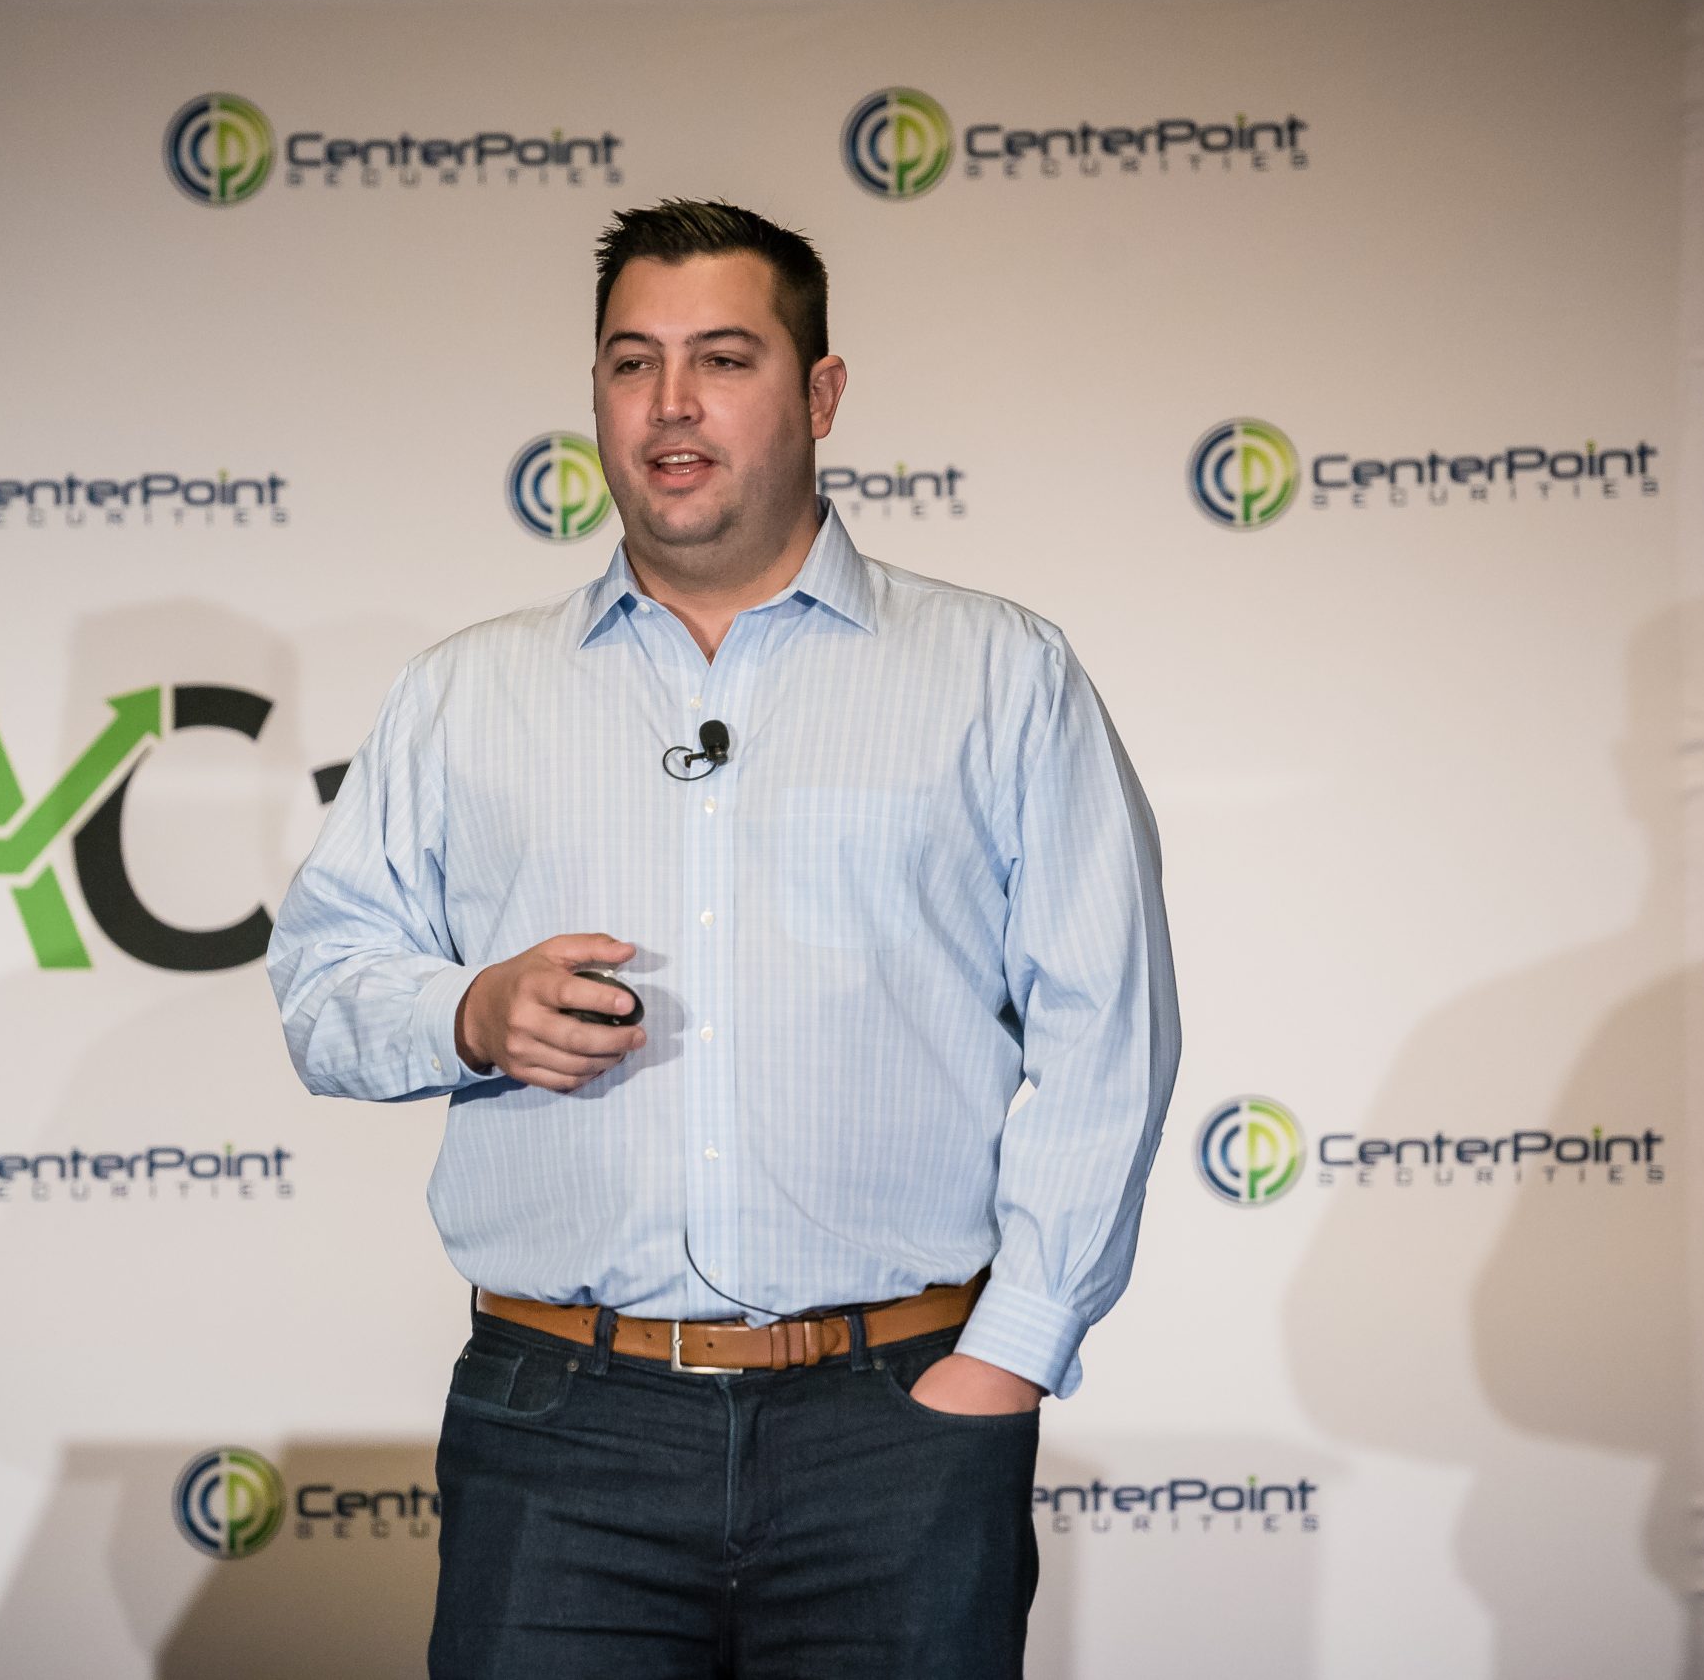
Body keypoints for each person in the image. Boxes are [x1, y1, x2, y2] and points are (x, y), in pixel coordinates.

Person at [266, 198, 1180, 1679]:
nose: (671, 403)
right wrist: (470, 1013)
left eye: (724, 359)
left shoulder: (998, 673)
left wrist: (1011, 1354)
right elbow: (321, 986)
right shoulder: (466, 694)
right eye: (633, 363)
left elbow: (1107, 1033)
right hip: (560, 1426)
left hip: (896, 1421)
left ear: (821, 393)